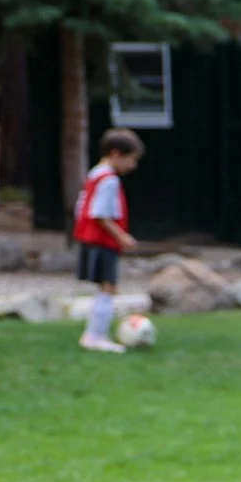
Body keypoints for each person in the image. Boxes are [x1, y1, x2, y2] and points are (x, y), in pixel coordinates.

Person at [72, 128, 142, 353]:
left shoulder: (94, 174)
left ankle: (95, 333)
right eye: (131, 159)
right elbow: (100, 213)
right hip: (102, 241)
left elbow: (80, 207)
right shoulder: (109, 180)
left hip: (90, 239)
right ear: (116, 154)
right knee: (108, 287)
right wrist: (121, 236)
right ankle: (95, 336)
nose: (133, 166)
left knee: (106, 287)